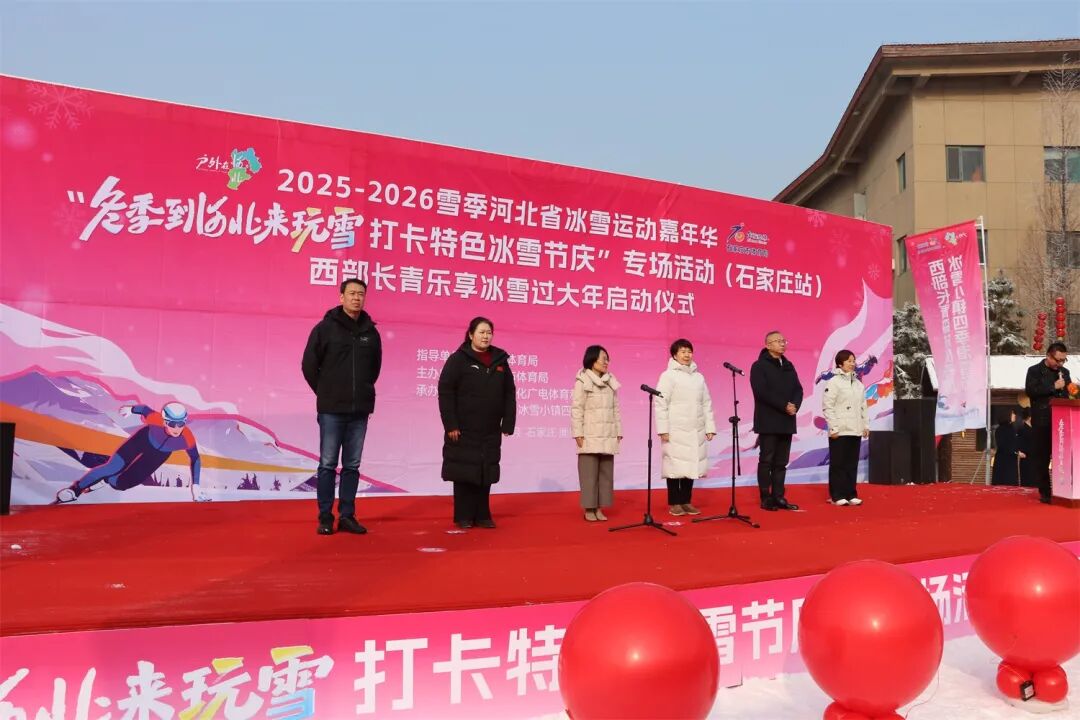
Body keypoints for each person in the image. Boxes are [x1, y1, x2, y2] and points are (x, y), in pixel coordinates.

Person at [302, 278, 383, 536]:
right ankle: (325, 516)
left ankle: (347, 515)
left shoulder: (371, 332)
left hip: (359, 410)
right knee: (327, 464)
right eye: (352, 293)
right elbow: (308, 365)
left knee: (352, 465)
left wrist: (362, 391)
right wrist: (325, 392)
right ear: (341, 297)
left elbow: (374, 369)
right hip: (331, 410)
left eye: (361, 294)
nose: (356, 298)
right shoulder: (325, 329)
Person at [438, 317, 517, 529]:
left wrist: (508, 422)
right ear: (471, 334)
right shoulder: (458, 359)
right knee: (463, 471)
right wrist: (451, 424)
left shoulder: (500, 360)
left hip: (490, 428)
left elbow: (509, 392)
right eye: (481, 332)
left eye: (489, 332)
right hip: (463, 428)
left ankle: (482, 515)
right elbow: (446, 392)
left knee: (486, 470)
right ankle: (463, 515)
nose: (486, 336)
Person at [55, 402, 205, 503]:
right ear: (165, 421)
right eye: (172, 423)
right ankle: (74, 491)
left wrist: (196, 486)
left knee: (121, 484)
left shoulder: (187, 437)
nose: (177, 428)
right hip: (142, 440)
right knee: (112, 467)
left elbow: (195, 459)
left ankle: (106, 480)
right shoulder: (156, 419)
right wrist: (131, 409)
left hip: (158, 455)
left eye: (181, 423)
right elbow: (144, 409)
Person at [655, 339, 717, 516]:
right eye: (682, 352)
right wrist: (663, 429)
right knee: (674, 467)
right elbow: (660, 403)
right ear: (674, 355)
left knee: (692, 465)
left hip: (695, 429)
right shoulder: (668, 376)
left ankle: (686, 501)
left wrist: (709, 427)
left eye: (689, 351)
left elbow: (706, 403)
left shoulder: (699, 377)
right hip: (675, 429)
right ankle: (675, 503)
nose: (687, 355)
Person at [750, 330, 804, 511]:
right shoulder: (759, 366)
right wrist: (783, 405)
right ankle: (766, 497)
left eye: (783, 340)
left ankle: (779, 496)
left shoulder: (788, 365)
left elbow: (798, 389)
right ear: (768, 345)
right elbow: (761, 391)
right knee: (766, 460)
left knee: (781, 462)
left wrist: (795, 405)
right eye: (778, 341)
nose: (782, 343)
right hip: (768, 420)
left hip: (787, 420)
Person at [571, 345, 622, 522]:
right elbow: (577, 409)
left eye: (607, 359)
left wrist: (618, 431)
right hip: (589, 434)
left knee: (605, 474)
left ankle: (599, 507)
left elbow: (616, 409)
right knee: (589, 474)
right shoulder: (582, 380)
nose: (606, 362)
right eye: (603, 358)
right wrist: (577, 433)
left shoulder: (610, 382)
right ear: (592, 360)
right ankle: (589, 508)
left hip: (607, 433)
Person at [1024, 342, 1070, 504]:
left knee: (1061, 457)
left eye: (1063, 360)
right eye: (1058, 360)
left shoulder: (1065, 372)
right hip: (1042, 421)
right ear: (1048, 356)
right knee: (1042, 458)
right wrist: (1053, 386)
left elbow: (1068, 395)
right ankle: (1045, 492)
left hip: (1061, 422)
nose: (1060, 364)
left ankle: (1062, 490)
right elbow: (1031, 391)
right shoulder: (1034, 371)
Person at [821, 349, 869, 505]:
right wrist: (833, 428)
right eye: (849, 361)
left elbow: (863, 407)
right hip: (840, 430)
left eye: (853, 360)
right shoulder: (834, 382)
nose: (852, 363)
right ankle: (837, 495)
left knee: (851, 463)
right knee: (838, 464)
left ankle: (851, 494)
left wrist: (865, 426)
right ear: (840, 364)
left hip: (855, 429)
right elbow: (828, 406)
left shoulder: (858, 384)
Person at [990, 407, 1020, 487]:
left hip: (1008, 459)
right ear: (1007, 415)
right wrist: (1016, 451)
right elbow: (1004, 444)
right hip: (1004, 460)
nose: (1015, 415)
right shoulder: (1002, 429)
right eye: (1013, 413)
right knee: (1006, 483)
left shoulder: (1010, 428)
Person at [1016, 407, 1034, 487]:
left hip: (1034, 456)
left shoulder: (1034, 427)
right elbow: (1018, 442)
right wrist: (1019, 451)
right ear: (1029, 417)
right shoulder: (1022, 428)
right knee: (1027, 480)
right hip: (1026, 457)